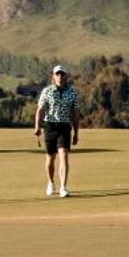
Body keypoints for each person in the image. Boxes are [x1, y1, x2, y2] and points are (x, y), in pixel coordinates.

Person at [34, 64, 80, 198]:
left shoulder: (72, 92)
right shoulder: (47, 91)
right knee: (50, 159)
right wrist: (37, 126)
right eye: (57, 74)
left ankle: (63, 187)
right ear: (53, 76)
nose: (60, 76)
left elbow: (75, 113)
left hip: (65, 126)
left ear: (66, 76)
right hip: (50, 126)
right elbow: (40, 109)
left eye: (62, 74)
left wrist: (76, 133)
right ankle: (50, 182)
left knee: (64, 156)